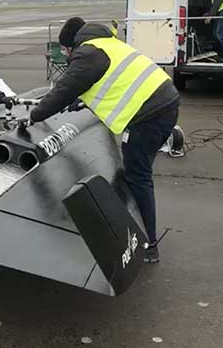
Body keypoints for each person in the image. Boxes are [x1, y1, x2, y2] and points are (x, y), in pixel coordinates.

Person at [25, 17, 180, 263]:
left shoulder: (86, 54)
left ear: (70, 45)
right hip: (165, 105)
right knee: (137, 174)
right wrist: (84, 99)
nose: (65, 55)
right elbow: (113, 79)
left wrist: (34, 115)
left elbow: (62, 90)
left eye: (65, 50)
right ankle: (141, 232)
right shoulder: (106, 43)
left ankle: (148, 244)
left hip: (148, 117)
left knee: (137, 177)